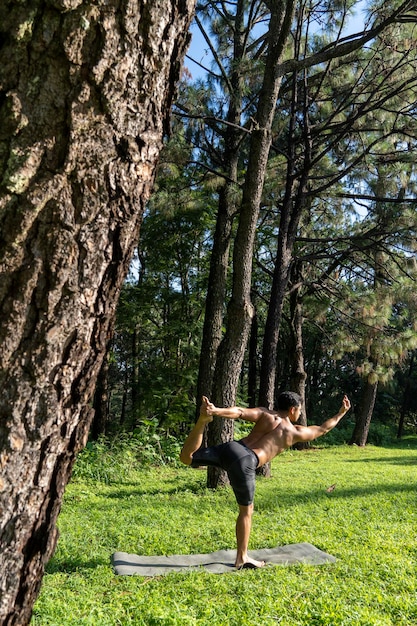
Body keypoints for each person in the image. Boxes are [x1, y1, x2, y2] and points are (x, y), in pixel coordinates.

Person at [180, 391, 351, 569]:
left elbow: (239, 411)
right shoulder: (293, 431)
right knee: (246, 511)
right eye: (299, 410)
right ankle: (242, 557)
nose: (299, 414)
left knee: (187, 457)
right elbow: (323, 429)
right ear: (293, 410)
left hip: (233, 448)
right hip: (245, 460)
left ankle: (202, 422)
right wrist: (341, 413)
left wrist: (215, 411)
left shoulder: (265, 413)